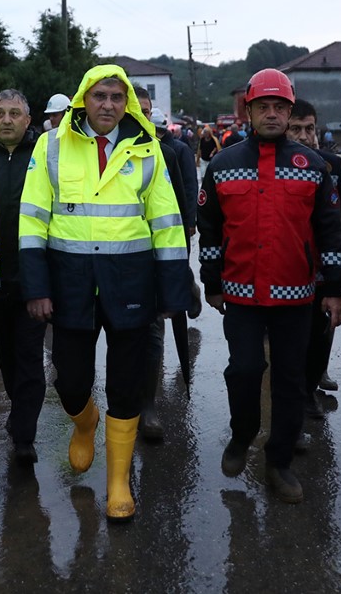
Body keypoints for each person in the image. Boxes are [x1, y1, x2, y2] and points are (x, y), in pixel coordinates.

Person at [19, 64, 192, 521]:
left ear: (127, 103)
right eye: (100, 97)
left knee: (126, 384)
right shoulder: (50, 144)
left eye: (117, 98)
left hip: (130, 283)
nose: (109, 106)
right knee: (71, 381)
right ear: (83, 99)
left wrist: (174, 291)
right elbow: (32, 220)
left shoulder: (146, 148)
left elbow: (167, 224)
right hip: (70, 283)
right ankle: (84, 421)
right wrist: (36, 287)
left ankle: (118, 481)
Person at [199, 70, 341, 503]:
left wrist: (333, 288)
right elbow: (208, 229)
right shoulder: (223, 164)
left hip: (296, 295)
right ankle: (242, 434)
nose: (271, 114)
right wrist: (212, 282)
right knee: (243, 370)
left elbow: (329, 233)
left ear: (290, 110)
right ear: (248, 110)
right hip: (241, 293)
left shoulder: (314, 166)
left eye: (279, 107)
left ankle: (279, 461)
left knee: (290, 381)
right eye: (262, 106)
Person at [0, 89, 45, 465]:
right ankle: (19, 409)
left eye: (15, 113)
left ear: (28, 120)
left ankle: (24, 435)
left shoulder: (44, 156)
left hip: (34, 277)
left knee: (30, 355)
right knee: (7, 353)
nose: (6, 120)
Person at [136, 95, 200, 441]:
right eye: (137, 112)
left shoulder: (169, 154)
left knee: (152, 332)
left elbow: (181, 199)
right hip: (115, 263)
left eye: (147, 113)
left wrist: (178, 268)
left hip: (155, 260)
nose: (142, 118)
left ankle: (147, 406)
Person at [287, 99, 341, 414]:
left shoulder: (331, 165)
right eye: (296, 128)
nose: (303, 135)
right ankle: (291, 396)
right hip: (286, 267)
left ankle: (309, 388)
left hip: (323, 266)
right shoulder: (272, 165)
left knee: (322, 330)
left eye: (309, 128)